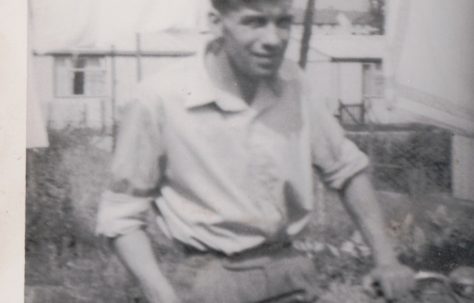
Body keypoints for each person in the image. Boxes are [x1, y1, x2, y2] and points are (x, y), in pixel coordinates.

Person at [96, 0, 415, 302]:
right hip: (211, 281)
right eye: (255, 22)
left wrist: (386, 259)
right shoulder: (159, 99)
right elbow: (120, 217)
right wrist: (161, 294)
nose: (273, 39)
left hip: (291, 272)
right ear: (216, 23)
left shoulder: (294, 83)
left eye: (283, 22)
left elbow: (346, 169)